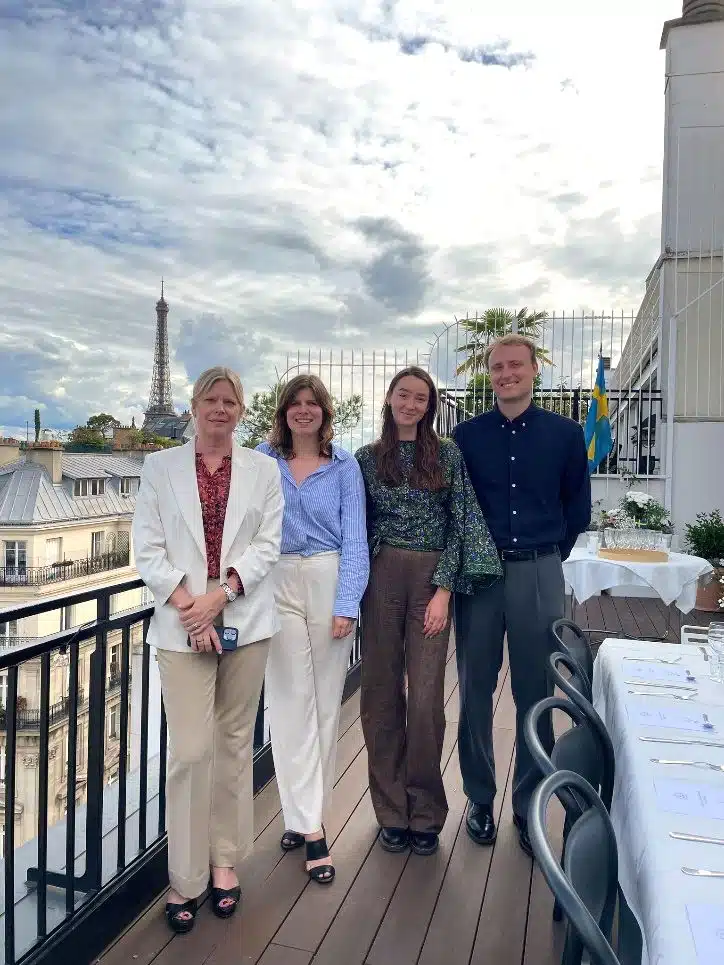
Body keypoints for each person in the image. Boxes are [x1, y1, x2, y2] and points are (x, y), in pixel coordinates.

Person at [132, 366, 283, 934]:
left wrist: (221, 595)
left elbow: (268, 544)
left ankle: (223, 863)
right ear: (193, 405)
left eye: (230, 401)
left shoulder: (262, 470)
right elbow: (145, 547)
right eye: (211, 399)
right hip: (180, 624)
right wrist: (191, 607)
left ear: (241, 409)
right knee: (191, 751)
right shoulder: (158, 467)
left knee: (234, 745)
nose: (220, 409)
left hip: (245, 618)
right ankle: (185, 875)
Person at [452, 333, 591, 856]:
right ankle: (480, 799)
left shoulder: (565, 434)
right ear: (490, 375)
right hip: (481, 578)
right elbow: (457, 511)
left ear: (535, 371)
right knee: (474, 689)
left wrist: (545, 556)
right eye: (497, 367)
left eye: (516, 365)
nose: (507, 373)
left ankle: (529, 801)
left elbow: (576, 509)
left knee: (535, 693)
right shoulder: (466, 437)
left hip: (538, 571)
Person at [355, 366, 500, 857]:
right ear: (389, 399)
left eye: (420, 397)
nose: (411, 404)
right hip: (381, 576)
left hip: (432, 581)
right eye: (403, 395)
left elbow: (462, 521)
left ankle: (426, 811)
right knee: (379, 695)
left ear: (429, 405)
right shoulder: (367, 459)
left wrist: (444, 590)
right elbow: (356, 524)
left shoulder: (448, 456)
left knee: (424, 699)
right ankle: (390, 811)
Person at [256, 374, 369, 884]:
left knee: (324, 703)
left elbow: (356, 540)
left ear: (325, 412)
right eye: (295, 404)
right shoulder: (261, 461)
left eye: (313, 404)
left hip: (326, 578)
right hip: (275, 579)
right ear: (283, 412)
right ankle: (306, 822)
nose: (304, 411)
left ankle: (309, 816)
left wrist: (348, 603)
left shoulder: (345, 468)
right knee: (285, 701)